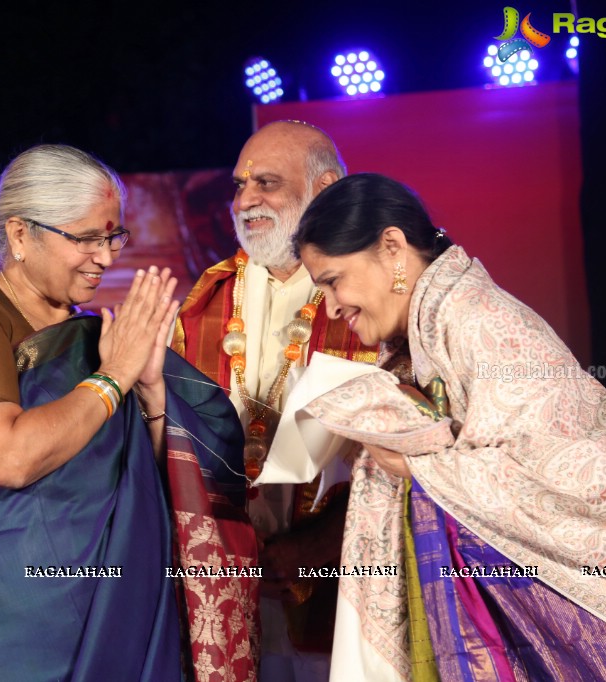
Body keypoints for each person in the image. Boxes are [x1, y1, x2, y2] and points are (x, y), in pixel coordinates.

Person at [292, 172, 606, 680]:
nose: (331, 306)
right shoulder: (423, 340)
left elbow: (568, 479)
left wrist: (421, 465)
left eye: (334, 280)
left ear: (392, 247)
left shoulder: (481, 322)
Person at [0, 144, 258, 681]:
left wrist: (149, 393)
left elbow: (135, 477)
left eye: (113, 236)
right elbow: (4, 457)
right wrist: (113, 377)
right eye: (86, 238)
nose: (106, 256)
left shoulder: (97, 338)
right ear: (20, 234)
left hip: (102, 600)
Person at [172, 121, 375, 681]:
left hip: (339, 580)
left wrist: (316, 545)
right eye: (239, 185)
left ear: (326, 187)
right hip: (221, 582)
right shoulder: (202, 302)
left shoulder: (372, 293)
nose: (246, 200)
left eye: (266, 182)